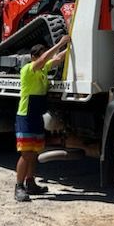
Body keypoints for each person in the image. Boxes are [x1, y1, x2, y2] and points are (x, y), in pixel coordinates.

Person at [14, 35, 70, 202]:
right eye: (41, 55)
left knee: (34, 153)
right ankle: (19, 187)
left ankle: (31, 183)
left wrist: (71, 46)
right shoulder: (28, 69)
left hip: (36, 115)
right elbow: (47, 58)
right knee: (26, 154)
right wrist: (59, 43)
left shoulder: (43, 69)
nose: (45, 58)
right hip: (26, 117)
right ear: (33, 57)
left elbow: (58, 58)